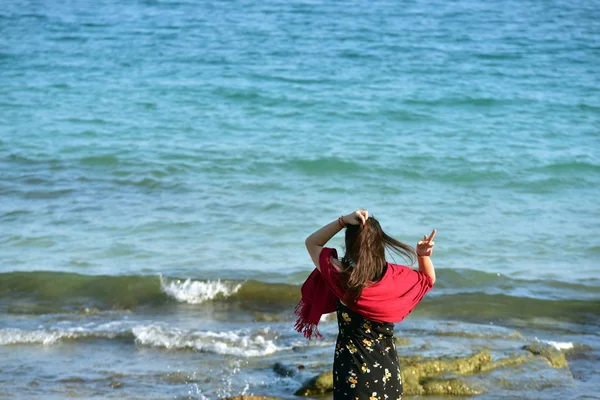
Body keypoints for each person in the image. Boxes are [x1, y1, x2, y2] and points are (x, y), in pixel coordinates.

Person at [295, 209, 436, 399]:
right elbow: (428, 279)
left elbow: (312, 243)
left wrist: (342, 221)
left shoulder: (344, 279)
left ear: (350, 244)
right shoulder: (395, 280)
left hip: (354, 377)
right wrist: (422, 256)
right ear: (380, 244)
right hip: (389, 376)